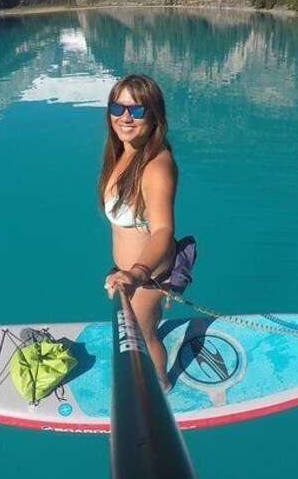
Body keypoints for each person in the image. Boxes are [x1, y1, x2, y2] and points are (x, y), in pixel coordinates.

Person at [101, 73, 195, 393]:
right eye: (118, 107)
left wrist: (137, 273)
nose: (125, 117)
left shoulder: (156, 166)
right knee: (140, 331)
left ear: (154, 115)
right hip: (130, 274)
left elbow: (163, 231)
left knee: (143, 335)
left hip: (146, 277)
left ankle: (161, 387)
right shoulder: (123, 150)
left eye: (137, 110)